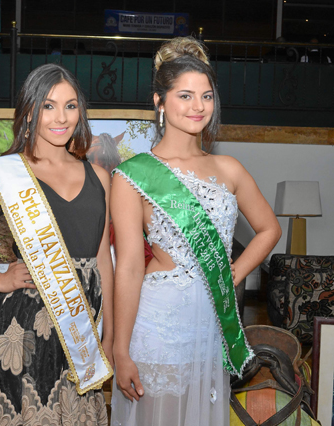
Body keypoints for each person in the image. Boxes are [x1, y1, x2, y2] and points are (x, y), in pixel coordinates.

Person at [0, 63, 114, 425]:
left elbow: (103, 260)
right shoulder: (4, 172)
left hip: (82, 328)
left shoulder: (100, 177)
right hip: (21, 328)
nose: (61, 117)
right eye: (48, 105)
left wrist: (109, 339)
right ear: (29, 111)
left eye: (70, 105)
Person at [110, 37, 281, 425]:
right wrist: (121, 350)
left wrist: (234, 272)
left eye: (206, 96)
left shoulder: (230, 169)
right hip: (157, 323)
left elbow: (269, 229)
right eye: (185, 96)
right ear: (159, 100)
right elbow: (130, 268)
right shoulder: (132, 176)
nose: (198, 106)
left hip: (208, 323)